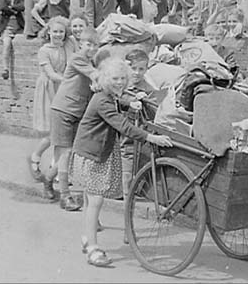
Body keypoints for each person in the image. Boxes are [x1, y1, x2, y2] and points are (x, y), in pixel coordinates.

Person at [70, 58, 172, 267]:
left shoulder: (109, 96)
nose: (119, 82)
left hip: (98, 150)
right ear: (105, 79)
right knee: (95, 200)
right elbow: (122, 125)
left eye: (122, 79)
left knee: (91, 199)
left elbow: (119, 103)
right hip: (92, 153)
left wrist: (130, 102)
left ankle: (87, 237)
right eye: (115, 78)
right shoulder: (102, 100)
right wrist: (150, 137)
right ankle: (92, 248)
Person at [42, 27, 100, 212]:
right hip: (63, 109)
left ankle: (48, 179)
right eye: (88, 44)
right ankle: (65, 196)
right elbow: (95, 76)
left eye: (95, 45)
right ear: (81, 44)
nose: (91, 48)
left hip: (77, 111)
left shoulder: (91, 61)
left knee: (70, 153)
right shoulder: (78, 59)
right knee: (65, 153)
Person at [29, 16, 76, 181]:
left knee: (61, 133)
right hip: (49, 89)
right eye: (55, 31)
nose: (58, 35)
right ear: (48, 32)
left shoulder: (69, 44)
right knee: (53, 133)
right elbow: (50, 73)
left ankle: (55, 167)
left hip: (64, 88)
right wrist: (69, 81)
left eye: (61, 32)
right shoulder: (44, 50)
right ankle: (35, 156)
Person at [119, 49, 155, 244]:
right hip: (119, 142)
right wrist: (132, 100)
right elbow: (116, 100)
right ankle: (94, 216)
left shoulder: (147, 87)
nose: (137, 72)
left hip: (136, 144)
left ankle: (128, 228)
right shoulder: (120, 84)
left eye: (142, 68)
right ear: (127, 66)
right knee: (109, 183)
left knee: (129, 186)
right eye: (134, 68)